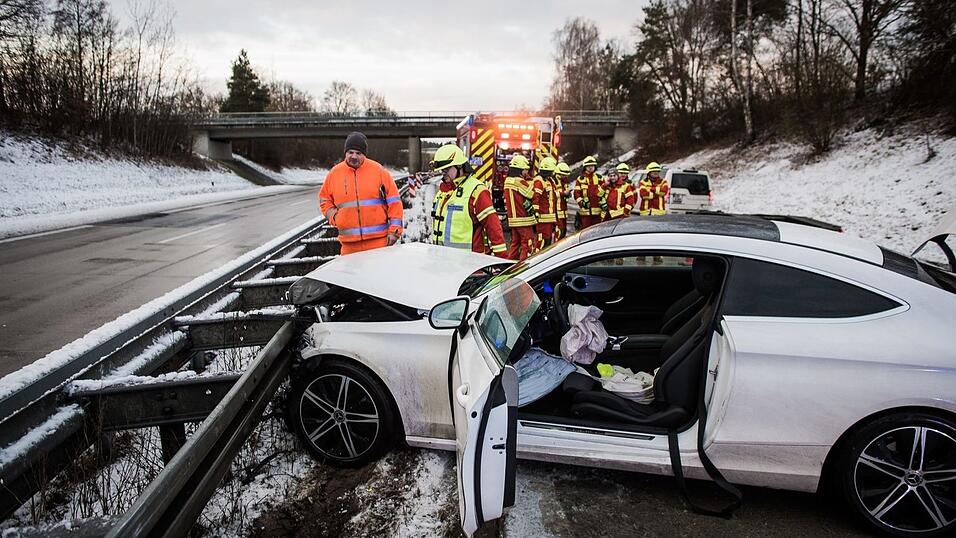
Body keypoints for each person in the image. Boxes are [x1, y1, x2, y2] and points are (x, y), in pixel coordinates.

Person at [319, 132, 403, 255]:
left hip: (378, 243)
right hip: (349, 246)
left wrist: (395, 231)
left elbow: (394, 202)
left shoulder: (379, 172)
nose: (354, 156)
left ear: (364, 154)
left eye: (358, 153)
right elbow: (324, 199)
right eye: (350, 152)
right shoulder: (334, 174)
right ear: (345, 153)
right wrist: (334, 217)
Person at [430, 144, 508, 258]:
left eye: (447, 169)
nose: (443, 172)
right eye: (442, 170)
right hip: (443, 262)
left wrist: (501, 259)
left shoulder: (476, 191)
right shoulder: (442, 192)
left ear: (459, 166)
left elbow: (493, 227)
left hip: (469, 265)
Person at [503, 154, 537, 261]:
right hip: (523, 219)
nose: (526, 172)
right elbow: (532, 194)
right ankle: (524, 267)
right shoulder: (519, 181)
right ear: (519, 170)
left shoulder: (508, 180)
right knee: (528, 243)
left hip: (514, 219)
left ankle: (510, 265)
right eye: (524, 170)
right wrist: (530, 180)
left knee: (515, 244)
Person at [532, 157, 558, 250]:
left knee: (547, 241)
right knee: (542, 241)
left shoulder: (549, 181)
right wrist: (536, 212)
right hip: (543, 218)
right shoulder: (539, 181)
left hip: (549, 218)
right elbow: (535, 198)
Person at [573, 155, 604, 229]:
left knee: (597, 232)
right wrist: (582, 203)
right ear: (585, 167)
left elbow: (605, 191)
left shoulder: (599, 178)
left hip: (597, 212)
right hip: (585, 213)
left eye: (592, 166)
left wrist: (603, 202)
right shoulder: (580, 179)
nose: (590, 167)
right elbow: (576, 194)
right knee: (585, 232)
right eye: (588, 166)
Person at [553, 162, 571, 240]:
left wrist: (567, 195)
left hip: (563, 210)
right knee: (559, 232)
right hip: (557, 210)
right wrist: (563, 194)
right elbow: (552, 194)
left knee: (563, 232)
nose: (565, 176)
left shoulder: (565, 181)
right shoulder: (554, 181)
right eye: (563, 175)